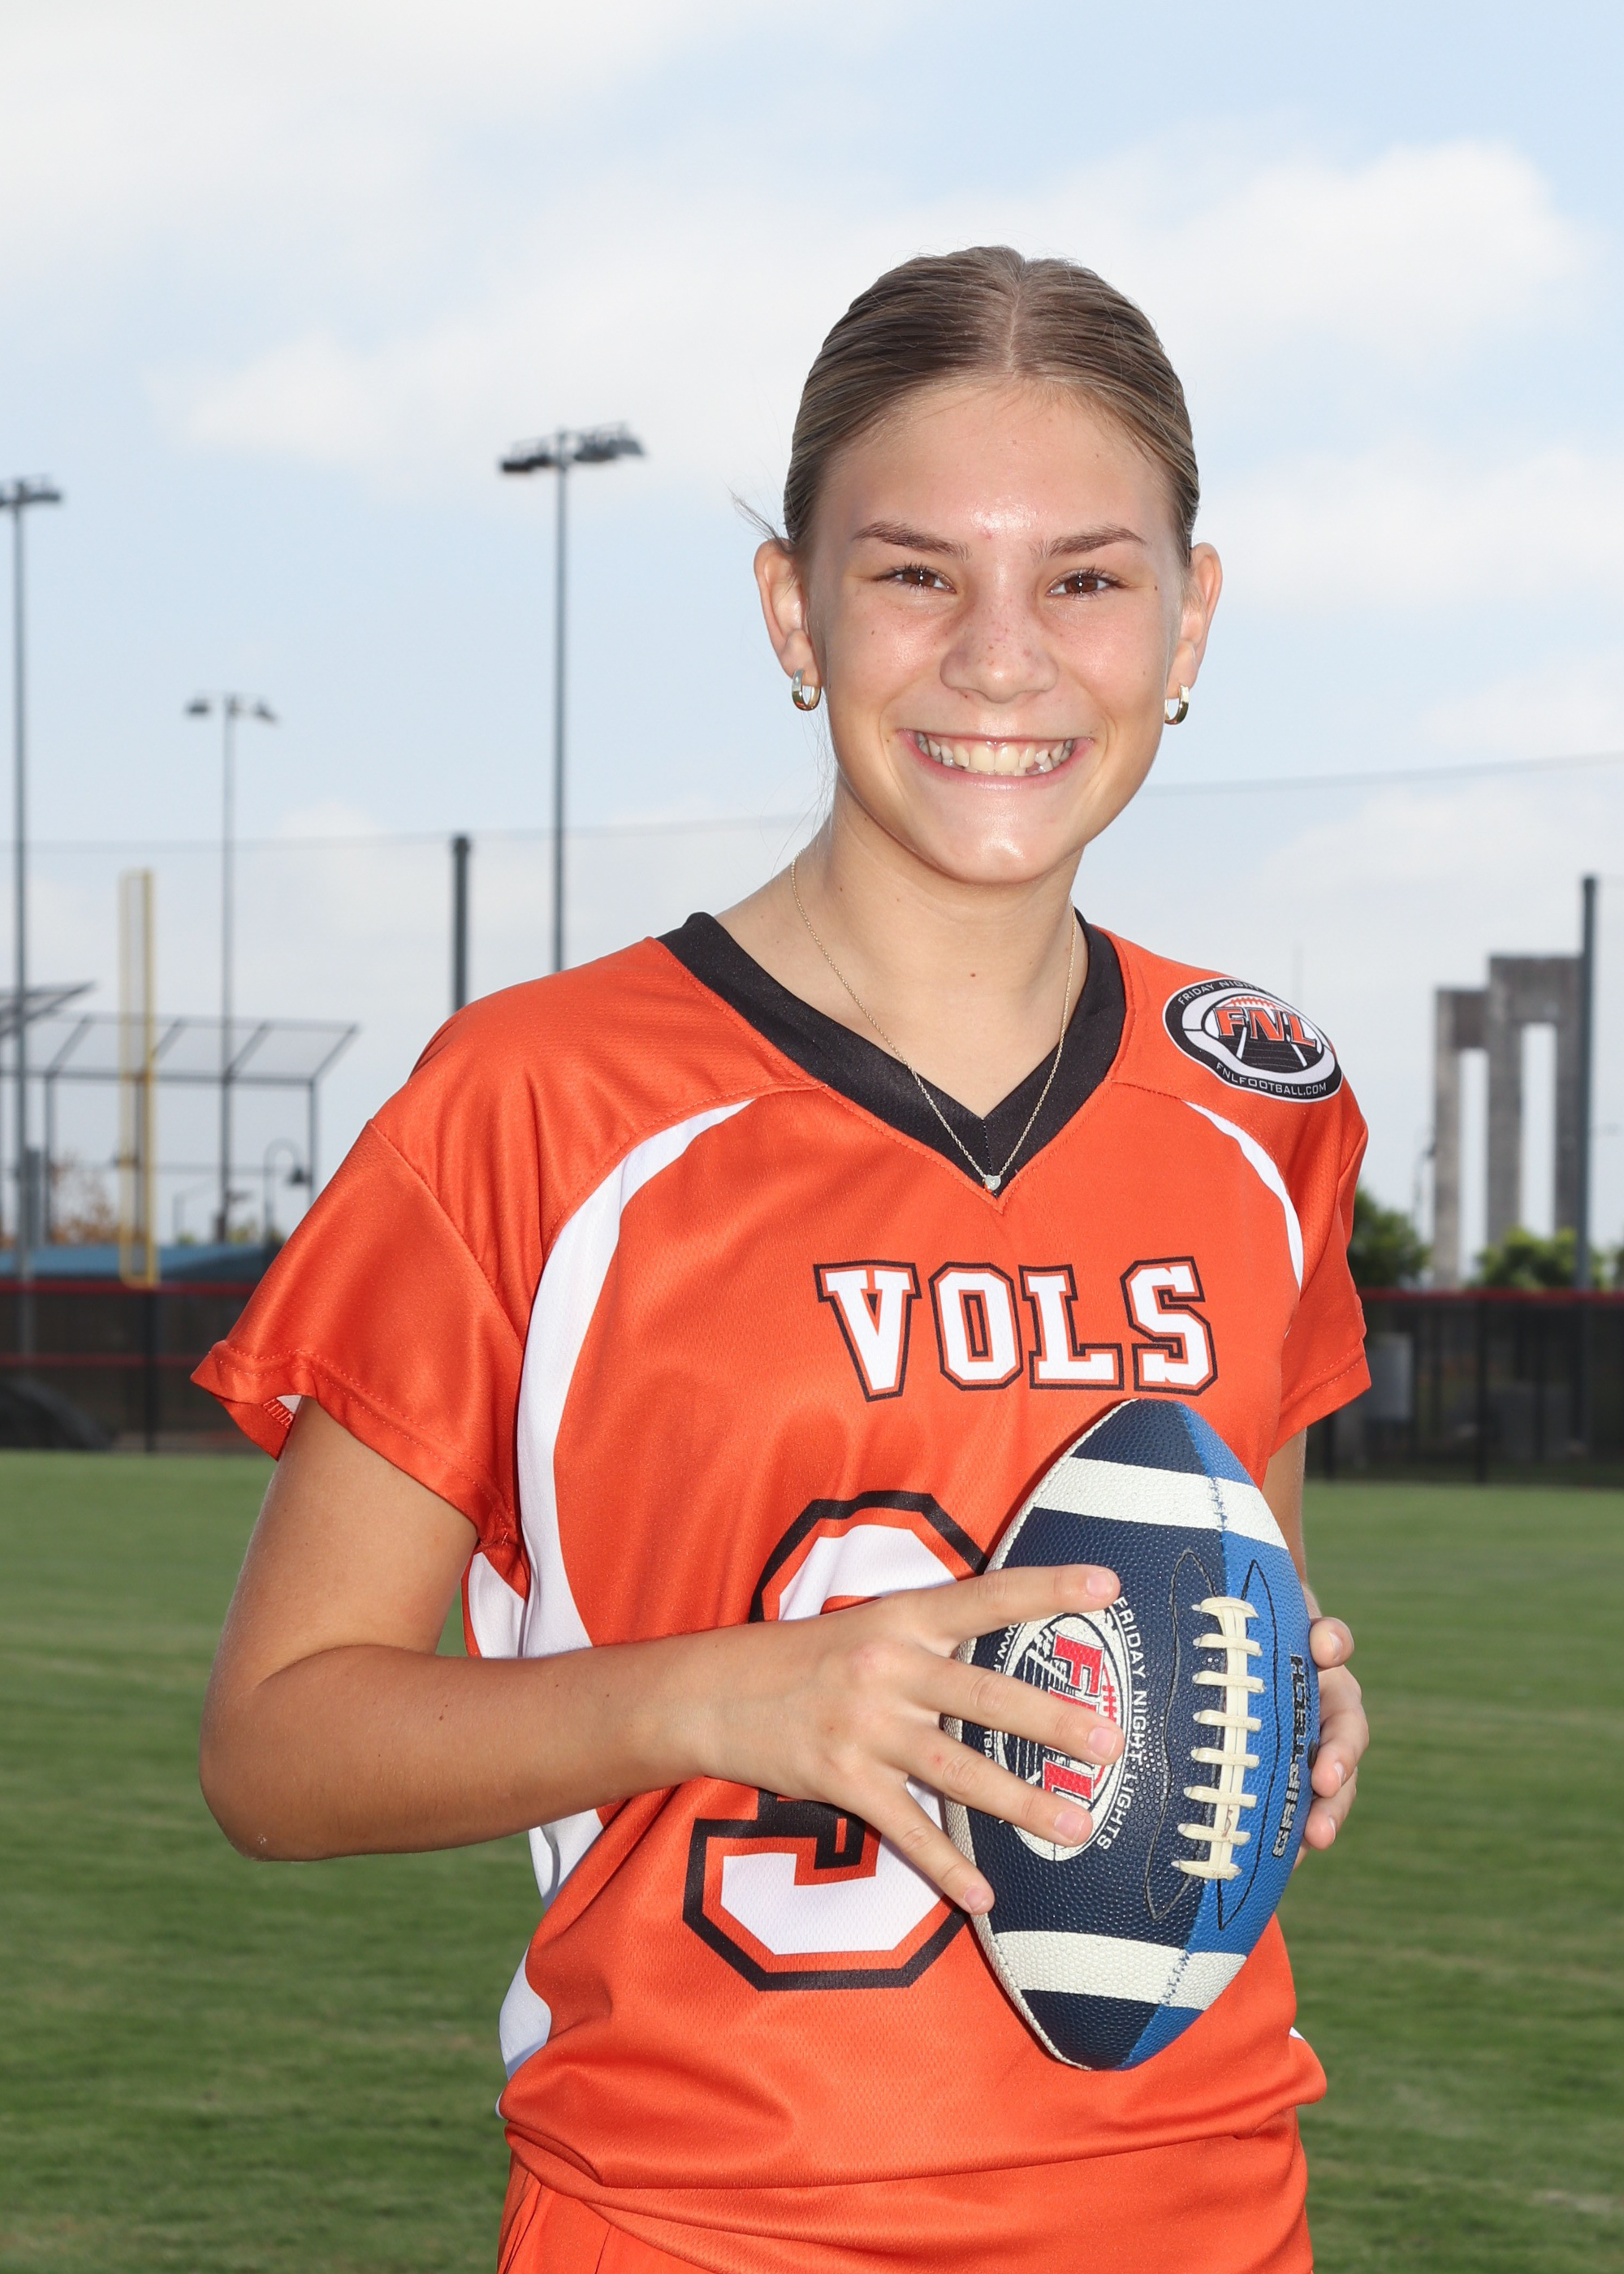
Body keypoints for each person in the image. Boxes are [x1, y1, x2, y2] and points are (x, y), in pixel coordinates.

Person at [197, 246, 1370, 2274]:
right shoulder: (537, 1100)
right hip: (699, 2220)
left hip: (1202, 2210)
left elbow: (1205, 1580)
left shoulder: (1256, 1098)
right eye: (915, 573)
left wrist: (1283, 1715)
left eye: (1085, 579)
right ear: (790, 611)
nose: (1000, 657)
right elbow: (278, 1747)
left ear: (1188, 619)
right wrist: (720, 1696)